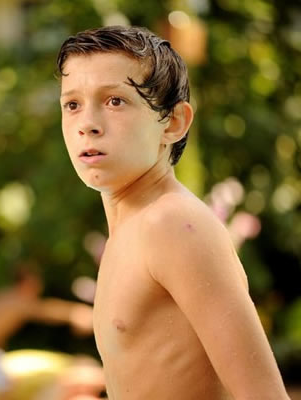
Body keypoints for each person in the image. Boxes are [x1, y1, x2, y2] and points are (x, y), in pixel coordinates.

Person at [56, 25, 290, 399]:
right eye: (72, 105)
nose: (87, 124)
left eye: (115, 101)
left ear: (174, 122)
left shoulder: (172, 225)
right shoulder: (130, 230)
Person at [0, 261, 94, 397]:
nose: (39, 285)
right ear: (26, 282)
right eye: (36, 281)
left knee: (7, 382)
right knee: (5, 383)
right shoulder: (18, 299)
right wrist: (74, 313)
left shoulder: (6, 297)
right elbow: (46, 310)